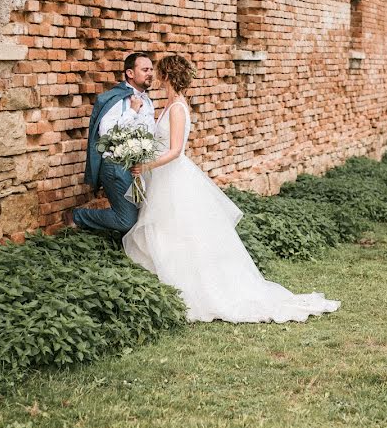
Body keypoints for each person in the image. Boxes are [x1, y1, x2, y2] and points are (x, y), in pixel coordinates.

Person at [122, 55, 340, 323]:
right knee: (168, 231)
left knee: (178, 231)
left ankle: (193, 290)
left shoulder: (177, 108)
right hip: (164, 178)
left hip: (173, 177)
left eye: (159, 72)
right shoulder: (168, 105)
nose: (155, 76)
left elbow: (176, 151)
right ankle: (169, 285)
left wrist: (146, 165)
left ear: (167, 75)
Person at [75, 52, 155, 234]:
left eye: (151, 69)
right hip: (115, 164)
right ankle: (78, 216)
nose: (150, 73)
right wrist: (132, 111)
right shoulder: (118, 99)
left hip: (137, 166)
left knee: (142, 214)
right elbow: (107, 133)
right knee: (126, 221)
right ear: (130, 73)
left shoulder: (148, 101)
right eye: (144, 69)